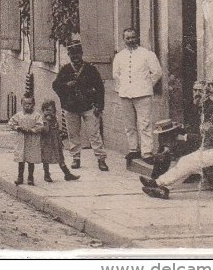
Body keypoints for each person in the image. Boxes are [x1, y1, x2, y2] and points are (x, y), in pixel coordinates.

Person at [142, 73, 213, 199]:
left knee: (188, 162)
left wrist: (210, 129)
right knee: (186, 162)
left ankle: (158, 183)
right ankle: (163, 187)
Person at [52, 42, 109, 171]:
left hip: (89, 107)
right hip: (71, 108)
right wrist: (67, 85)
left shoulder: (90, 69)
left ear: (82, 54)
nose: (75, 57)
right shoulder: (65, 70)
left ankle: (101, 159)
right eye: (72, 54)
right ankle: (75, 158)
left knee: (94, 134)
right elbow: (55, 85)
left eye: (77, 54)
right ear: (69, 55)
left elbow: (100, 88)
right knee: (73, 134)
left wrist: (99, 106)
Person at [112, 28, 163, 167]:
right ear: (124, 40)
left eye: (133, 37)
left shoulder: (147, 54)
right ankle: (133, 149)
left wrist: (146, 84)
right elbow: (116, 75)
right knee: (129, 125)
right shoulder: (119, 56)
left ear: (137, 37)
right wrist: (124, 86)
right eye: (128, 38)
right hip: (125, 94)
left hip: (143, 94)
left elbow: (157, 73)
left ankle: (147, 152)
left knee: (145, 124)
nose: (131, 40)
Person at [40, 100, 80, 182]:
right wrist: (47, 121)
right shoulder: (43, 119)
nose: (48, 112)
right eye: (46, 110)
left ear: (54, 111)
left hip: (55, 141)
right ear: (43, 110)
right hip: (46, 142)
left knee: (60, 158)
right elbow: (45, 130)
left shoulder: (55, 118)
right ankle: (46, 174)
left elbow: (57, 129)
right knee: (46, 158)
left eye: (50, 110)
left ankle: (67, 174)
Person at [9, 95, 44, 185]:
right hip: (22, 139)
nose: (27, 106)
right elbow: (11, 123)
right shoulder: (19, 115)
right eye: (25, 104)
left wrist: (32, 130)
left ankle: (30, 177)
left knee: (31, 159)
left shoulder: (36, 115)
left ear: (34, 104)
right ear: (21, 104)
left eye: (30, 104)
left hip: (32, 140)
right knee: (21, 158)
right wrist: (17, 127)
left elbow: (40, 125)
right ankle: (20, 177)